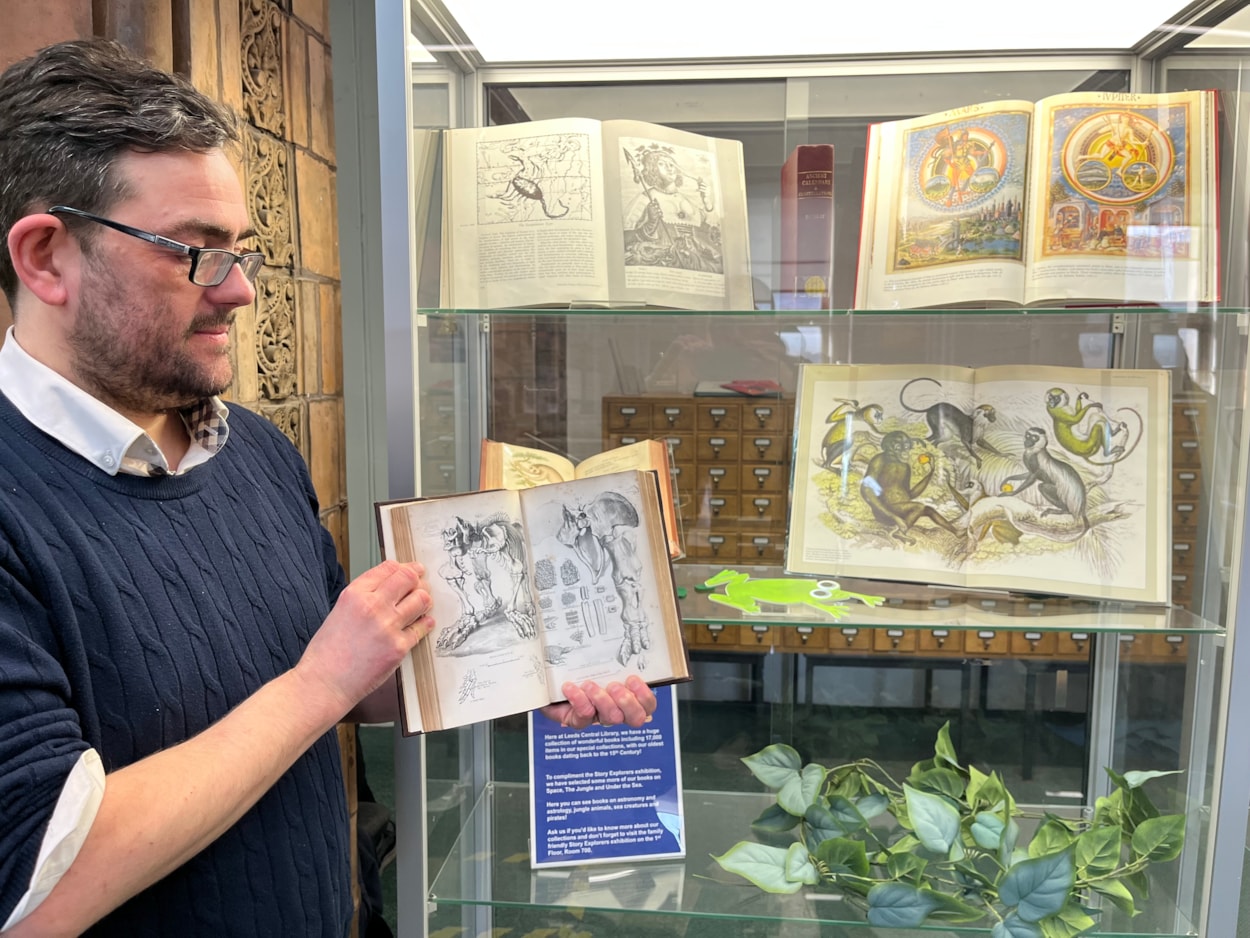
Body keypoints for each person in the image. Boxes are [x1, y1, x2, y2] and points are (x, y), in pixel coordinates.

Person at [0, 38, 656, 937]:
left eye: (242, 251)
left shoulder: (255, 452)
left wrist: (521, 668)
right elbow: (38, 885)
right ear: (45, 258)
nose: (237, 293)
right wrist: (320, 680)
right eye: (194, 252)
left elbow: (353, 687)